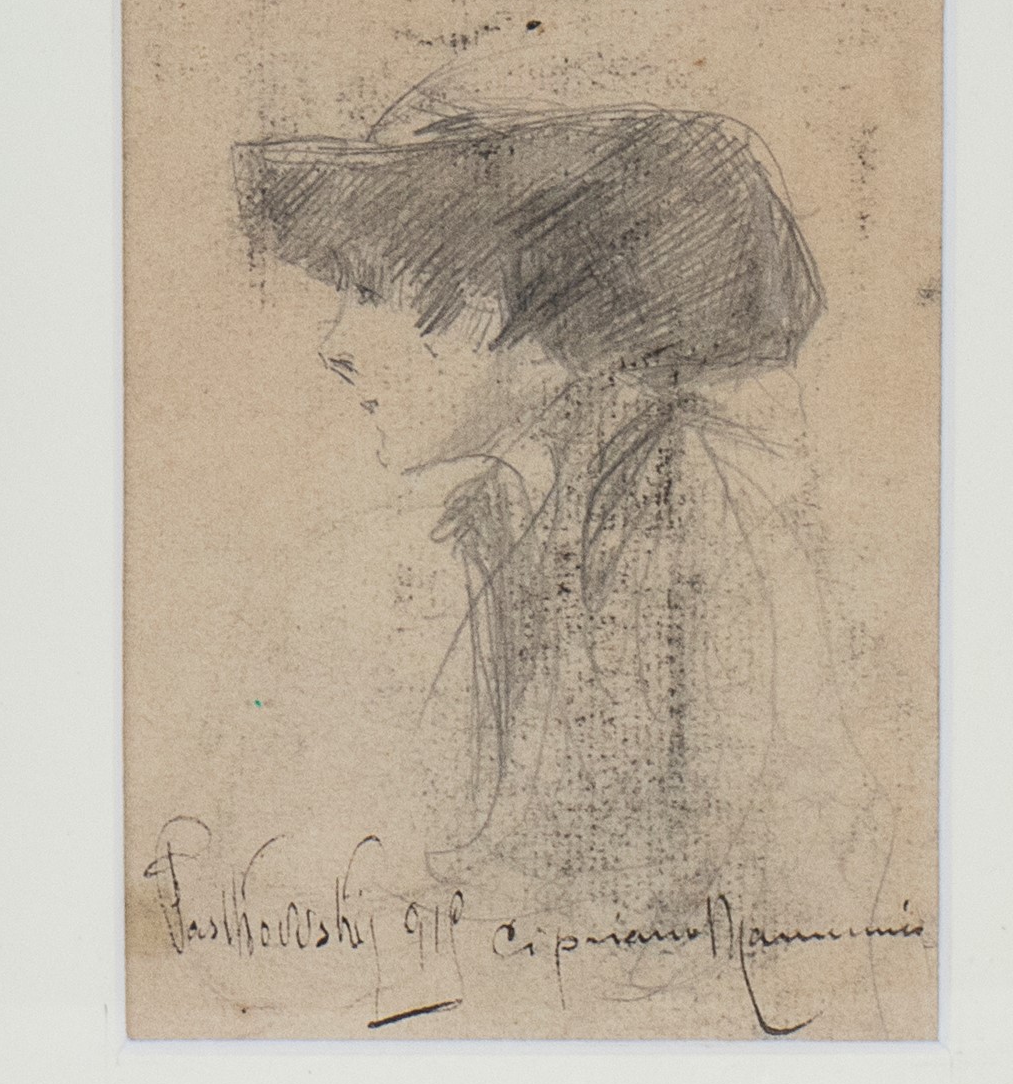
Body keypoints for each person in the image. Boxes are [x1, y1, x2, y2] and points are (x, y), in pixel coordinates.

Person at [232, 99, 877, 959]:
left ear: (532, 303)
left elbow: (672, 884)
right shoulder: (512, 517)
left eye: (372, 289)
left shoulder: (690, 513)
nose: (336, 343)